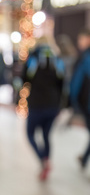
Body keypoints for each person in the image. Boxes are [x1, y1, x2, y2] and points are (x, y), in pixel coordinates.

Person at [22, 37, 65, 181]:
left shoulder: (33, 58)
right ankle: (46, 160)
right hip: (53, 105)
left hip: (36, 104)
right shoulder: (57, 60)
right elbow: (62, 83)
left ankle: (43, 161)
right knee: (46, 135)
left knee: (30, 134)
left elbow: (24, 79)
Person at [70, 29, 90, 169]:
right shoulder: (84, 56)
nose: (79, 42)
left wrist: (73, 99)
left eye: (81, 39)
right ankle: (84, 158)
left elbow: (77, 82)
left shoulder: (86, 57)